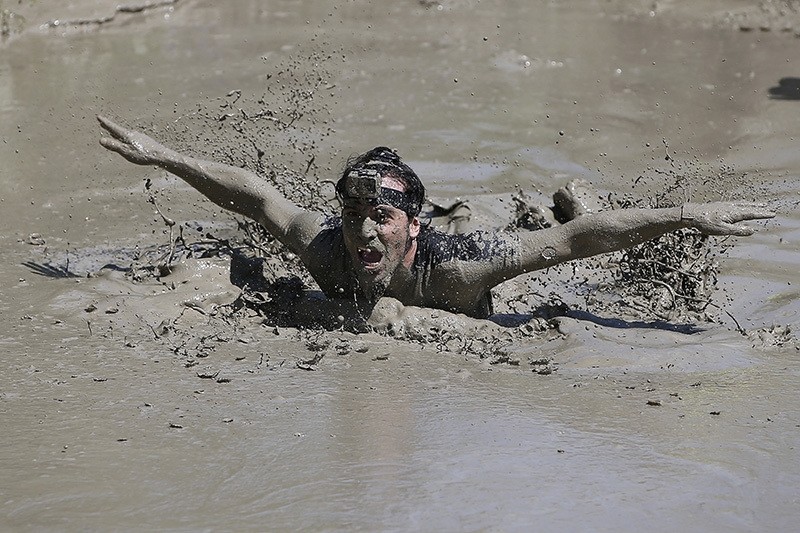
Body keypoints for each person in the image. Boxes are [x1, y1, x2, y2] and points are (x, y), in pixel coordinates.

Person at [97, 115, 775, 319]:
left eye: (381, 216)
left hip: (469, 245)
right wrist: (168, 156)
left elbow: (573, 243)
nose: (364, 228)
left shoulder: (461, 272)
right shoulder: (325, 248)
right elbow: (257, 197)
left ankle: (564, 188)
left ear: (408, 225)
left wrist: (687, 214)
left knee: (539, 228)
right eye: (354, 212)